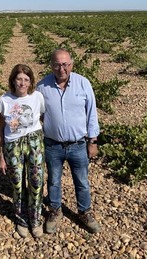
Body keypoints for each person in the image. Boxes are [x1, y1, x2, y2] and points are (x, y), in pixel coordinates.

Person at [37, 48, 101, 234]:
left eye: (65, 64)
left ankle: (84, 212)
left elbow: (91, 113)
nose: (61, 68)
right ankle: (54, 210)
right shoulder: (42, 87)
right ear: (51, 66)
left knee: (81, 181)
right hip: (53, 145)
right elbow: (36, 114)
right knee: (54, 181)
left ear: (71, 65)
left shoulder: (83, 83)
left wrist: (93, 140)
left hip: (78, 145)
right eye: (57, 64)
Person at [0, 64, 45, 238]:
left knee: (36, 182)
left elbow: (42, 118)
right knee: (17, 183)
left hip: (34, 143)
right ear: (13, 80)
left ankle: (36, 219)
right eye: (19, 79)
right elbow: (1, 128)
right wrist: (1, 155)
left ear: (30, 82)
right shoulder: (4, 100)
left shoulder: (37, 97)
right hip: (12, 145)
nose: (22, 83)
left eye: (26, 79)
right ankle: (21, 218)